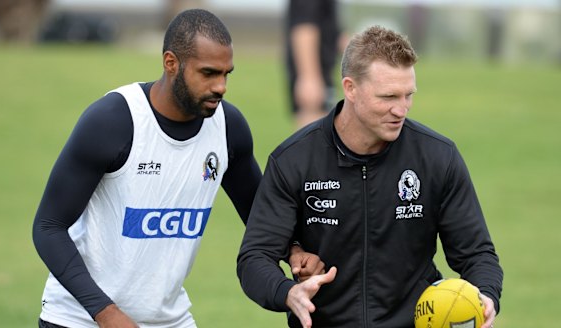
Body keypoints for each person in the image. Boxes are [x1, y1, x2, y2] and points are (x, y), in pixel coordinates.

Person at [32, 9, 323, 328]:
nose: (221, 87)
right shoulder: (113, 121)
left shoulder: (228, 128)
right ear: (171, 63)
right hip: (79, 318)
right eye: (209, 73)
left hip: (168, 320)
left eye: (226, 74)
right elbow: (49, 227)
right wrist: (105, 312)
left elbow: (262, 216)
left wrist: (293, 250)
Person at [237, 25, 503, 328]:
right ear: (350, 88)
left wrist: (486, 296)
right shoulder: (294, 161)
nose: (401, 109)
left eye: (408, 95)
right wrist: (289, 293)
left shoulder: (437, 157)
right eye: (388, 96)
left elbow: (477, 254)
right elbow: (255, 258)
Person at [285, 0, 344, 129]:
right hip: (315, 77)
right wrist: (309, 77)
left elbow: (334, 33)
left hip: (323, 75)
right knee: (315, 140)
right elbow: (304, 27)